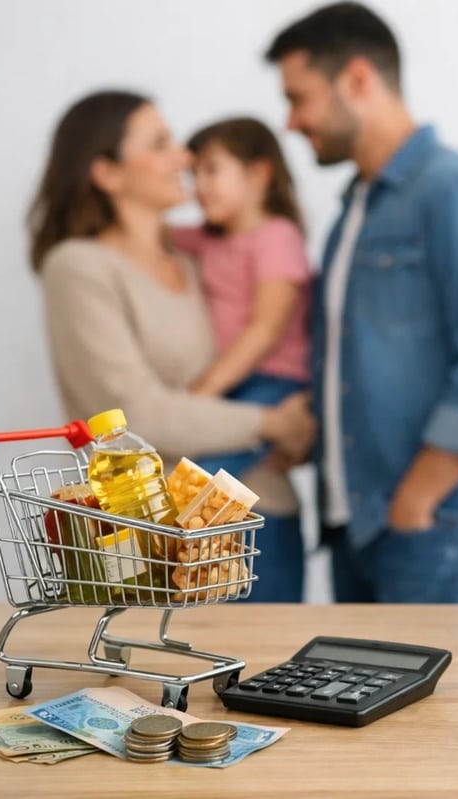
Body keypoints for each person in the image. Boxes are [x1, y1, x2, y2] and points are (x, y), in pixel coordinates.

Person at [265, 2, 458, 603]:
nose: (291, 121)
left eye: (299, 98)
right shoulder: (353, 210)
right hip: (355, 529)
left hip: (437, 526)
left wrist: (415, 501)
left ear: (357, 80)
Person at [27, 90, 316, 602]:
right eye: (160, 144)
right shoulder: (80, 267)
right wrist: (273, 423)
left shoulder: (195, 263)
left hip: (264, 517)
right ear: (107, 173)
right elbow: (132, 416)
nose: (183, 157)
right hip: (160, 535)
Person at [170, 116, 315, 601]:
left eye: (211, 170)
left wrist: (201, 395)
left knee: (199, 476)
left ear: (259, 174)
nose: (198, 186)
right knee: (209, 480)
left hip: (274, 380)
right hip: (239, 381)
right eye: (192, 174)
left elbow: (264, 331)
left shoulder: (277, 236)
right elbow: (151, 233)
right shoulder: (208, 239)